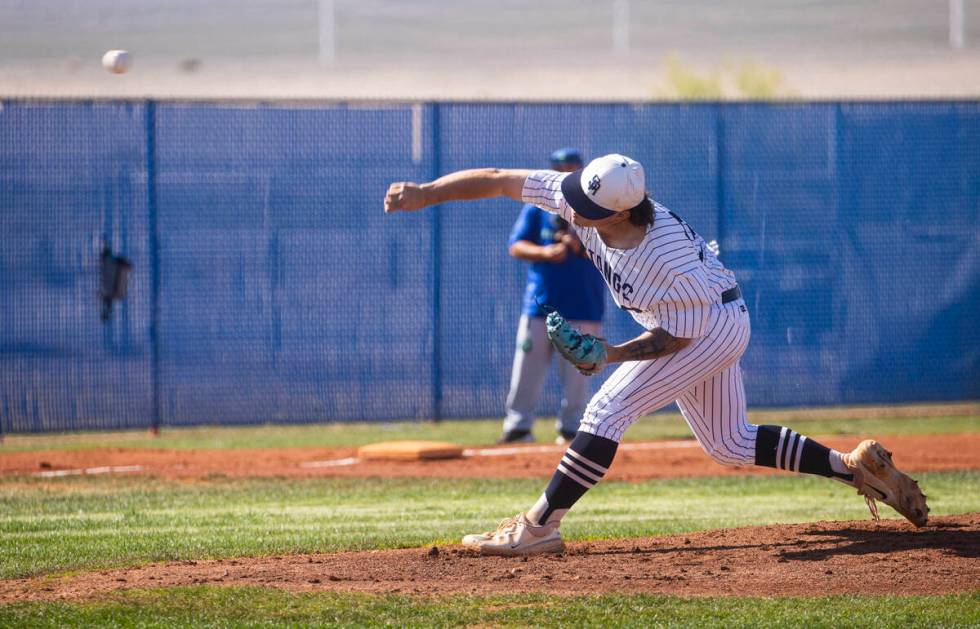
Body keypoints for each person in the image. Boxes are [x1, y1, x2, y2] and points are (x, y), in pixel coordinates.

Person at [384, 154, 928, 556]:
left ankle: (538, 527)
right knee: (729, 442)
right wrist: (425, 193)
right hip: (698, 319)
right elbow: (501, 181)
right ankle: (855, 470)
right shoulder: (588, 197)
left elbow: (674, 339)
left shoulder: (666, 259)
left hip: (706, 327)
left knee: (604, 411)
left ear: (619, 214)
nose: (570, 207)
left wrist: (610, 354)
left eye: (585, 207)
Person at [500, 148, 606, 445]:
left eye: (571, 167)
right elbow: (516, 245)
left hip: (584, 304)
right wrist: (547, 252)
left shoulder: (597, 207)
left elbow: (614, 251)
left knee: (579, 370)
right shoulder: (538, 207)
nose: (565, 172)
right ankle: (519, 426)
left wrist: (580, 247)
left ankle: (572, 428)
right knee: (528, 366)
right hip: (541, 304)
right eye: (559, 167)